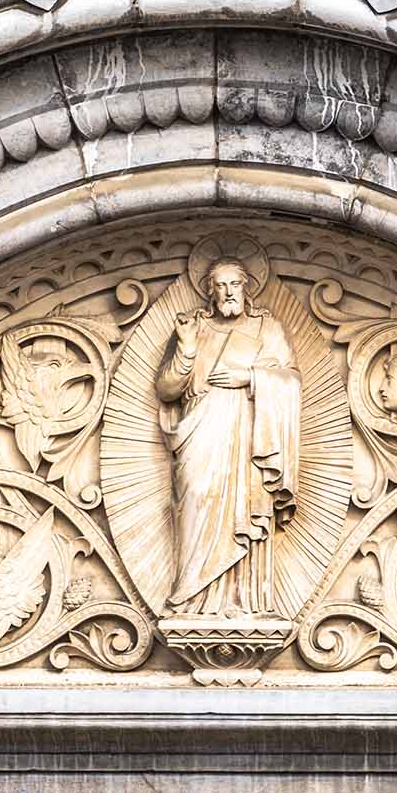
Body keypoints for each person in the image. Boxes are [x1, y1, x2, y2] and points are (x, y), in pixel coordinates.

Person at [155, 257, 301, 616]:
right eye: (219, 286)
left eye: (234, 284)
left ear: (247, 287)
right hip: (199, 431)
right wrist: (187, 348)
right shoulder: (195, 329)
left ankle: (243, 601)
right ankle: (191, 596)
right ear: (210, 292)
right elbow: (167, 389)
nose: (228, 292)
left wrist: (251, 378)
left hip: (248, 437)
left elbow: (290, 380)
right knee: (197, 496)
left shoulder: (267, 329)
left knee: (244, 509)